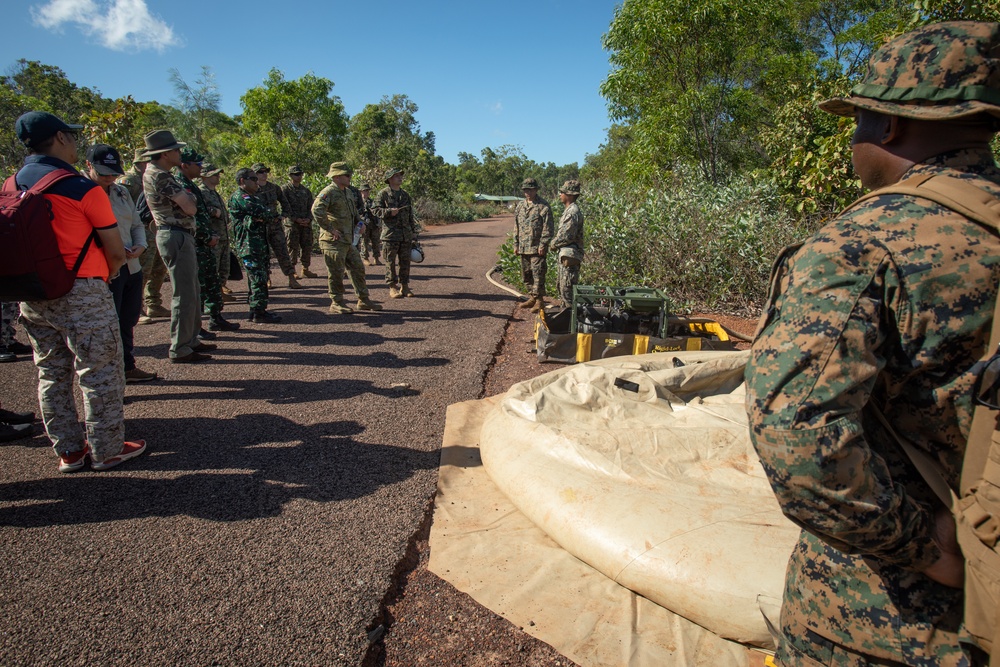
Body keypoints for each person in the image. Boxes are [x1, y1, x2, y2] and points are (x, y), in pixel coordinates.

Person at [744, 21, 1000, 666]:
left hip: (886, 623)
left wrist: (929, 549)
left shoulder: (864, 245)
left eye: (859, 120)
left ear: (886, 126)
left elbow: (799, 441)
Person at [13, 110, 146, 471]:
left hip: (33, 293)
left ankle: (69, 451)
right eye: (70, 136)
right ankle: (107, 448)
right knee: (99, 369)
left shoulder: (11, 185)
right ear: (59, 139)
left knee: (50, 371)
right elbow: (116, 251)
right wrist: (109, 271)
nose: (73, 143)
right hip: (82, 290)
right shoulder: (78, 187)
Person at [84, 143, 157, 383]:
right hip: (102, 269)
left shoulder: (120, 192)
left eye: (114, 172)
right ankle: (109, 379)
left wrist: (141, 246)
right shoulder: (80, 191)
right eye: (104, 172)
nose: (110, 177)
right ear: (88, 166)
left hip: (130, 265)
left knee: (127, 320)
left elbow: (136, 223)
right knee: (106, 326)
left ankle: (127, 367)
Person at [142, 129, 213, 363]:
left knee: (192, 290)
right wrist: (188, 199)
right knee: (183, 293)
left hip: (180, 234)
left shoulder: (163, 174)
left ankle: (190, 340)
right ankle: (180, 347)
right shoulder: (160, 176)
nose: (179, 153)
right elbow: (190, 207)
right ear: (165, 154)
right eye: (176, 150)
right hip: (175, 235)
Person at [311, 162, 383, 315]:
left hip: (348, 240)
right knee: (336, 272)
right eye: (346, 175)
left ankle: (363, 299)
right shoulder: (328, 192)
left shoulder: (348, 192)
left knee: (358, 268)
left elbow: (354, 212)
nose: (349, 177)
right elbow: (316, 210)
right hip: (333, 241)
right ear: (336, 176)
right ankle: (336, 302)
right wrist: (330, 229)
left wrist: (360, 223)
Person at [177, 148, 236, 333]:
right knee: (200, 284)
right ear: (185, 165)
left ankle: (215, 317)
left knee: (212, 281)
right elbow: (191, 215)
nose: (200, 168)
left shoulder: (191, 185)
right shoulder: (182, 185)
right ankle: (197, 326)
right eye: (198, 164)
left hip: (211, 239)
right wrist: (206, 236)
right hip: (199, 241)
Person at [119, 148, 169, 323]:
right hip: (139, 234)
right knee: (142, 271)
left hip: (155, 230)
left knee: (159, 269)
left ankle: (153, 303)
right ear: (140, 162)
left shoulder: (154, 177)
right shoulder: (128, 181)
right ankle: (136, 307)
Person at [230, 168, 282, 323]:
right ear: (242, 181)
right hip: (249, 245)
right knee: (258, 278)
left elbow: (267, 213)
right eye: (252, 179)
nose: (256, 181)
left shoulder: (253, 197)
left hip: (258, 244)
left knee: (259, 277)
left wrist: (264, 216)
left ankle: (256, 309)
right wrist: (263, 216)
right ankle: (259, 312)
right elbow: (263, 212)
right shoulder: (241, 196)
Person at [252, 162, 303, 290]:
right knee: (264, 254)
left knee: (283, 252)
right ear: (254, 174)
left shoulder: (274, 188)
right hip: (260, 227)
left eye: (265, 171)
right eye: (260, 172)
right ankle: (267, 279)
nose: (264, 174)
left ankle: (291, 278)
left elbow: (285, 203)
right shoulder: (252, 189)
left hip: (275, 225)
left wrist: (283, 215)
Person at [373, 167, 420, 298]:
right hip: (390, 235)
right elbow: (375, 210)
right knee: (390, 262)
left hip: (405, 234)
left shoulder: (405, 195)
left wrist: (414, 232)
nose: (400, 178)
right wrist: (388, 212)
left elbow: (411, 215)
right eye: (396, 176)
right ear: (389, 179)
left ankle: (404, 286)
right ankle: (392, 287)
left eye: (400, 176)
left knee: (405, 262)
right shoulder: (383, 194)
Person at [512, 177, 553, 312]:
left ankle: (539, 300)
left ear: (535, 190)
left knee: (538, 275)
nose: (527, 192)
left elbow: (548, 228)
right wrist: (516, 244)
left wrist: (543, 244)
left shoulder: (543, 206)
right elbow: (516, 226)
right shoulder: (520, 206)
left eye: (530, 189)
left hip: (536, 248)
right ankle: (532, 298)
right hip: (524, 247)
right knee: (527, 275)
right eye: (525, 190)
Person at [198, 163, 234, 303]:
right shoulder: (202, 192)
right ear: (204, 176)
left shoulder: (213, 192)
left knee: (223, 266)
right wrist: (214, 212)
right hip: (212, 237)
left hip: (222, 235)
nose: (218, 176)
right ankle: (211, 296)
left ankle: (220, 289)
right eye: (214, 174)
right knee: (212, 267)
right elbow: (198, 210)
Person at [550, 180, 584, 309]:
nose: (560, 194)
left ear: (569, 194)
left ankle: (570, 322)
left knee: (567, 290)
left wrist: (553, 244)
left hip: (570, 256)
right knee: (563, 287)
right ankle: (566, 315)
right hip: (567, 256)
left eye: (562, 192)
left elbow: (566, 236)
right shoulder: (569, 210)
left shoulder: (572, 212)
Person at [282, 165, 317, 279]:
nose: (299, 176)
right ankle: (292, 271)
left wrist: (308, 218)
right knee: (292, 246)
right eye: (296, 174)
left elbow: (311, 207)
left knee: (307, 246)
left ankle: (305, 269)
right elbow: (284, 207)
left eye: (300, 174)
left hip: (305, 224)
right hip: (292, 224)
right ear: (290, 176)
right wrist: (295, 219)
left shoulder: (305, 190)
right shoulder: (285, 190)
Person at [358, 183, 381, 266]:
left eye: (368, 191)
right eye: (365, 191)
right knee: (364, 241)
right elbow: (357, 213)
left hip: (373, 224)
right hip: (364, 225)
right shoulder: (359, 202)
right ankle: (365, 258)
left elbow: (376, 211)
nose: (367, 192)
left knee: (376, 241)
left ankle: (376, 258)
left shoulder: (372, 202)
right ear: (361, 192)